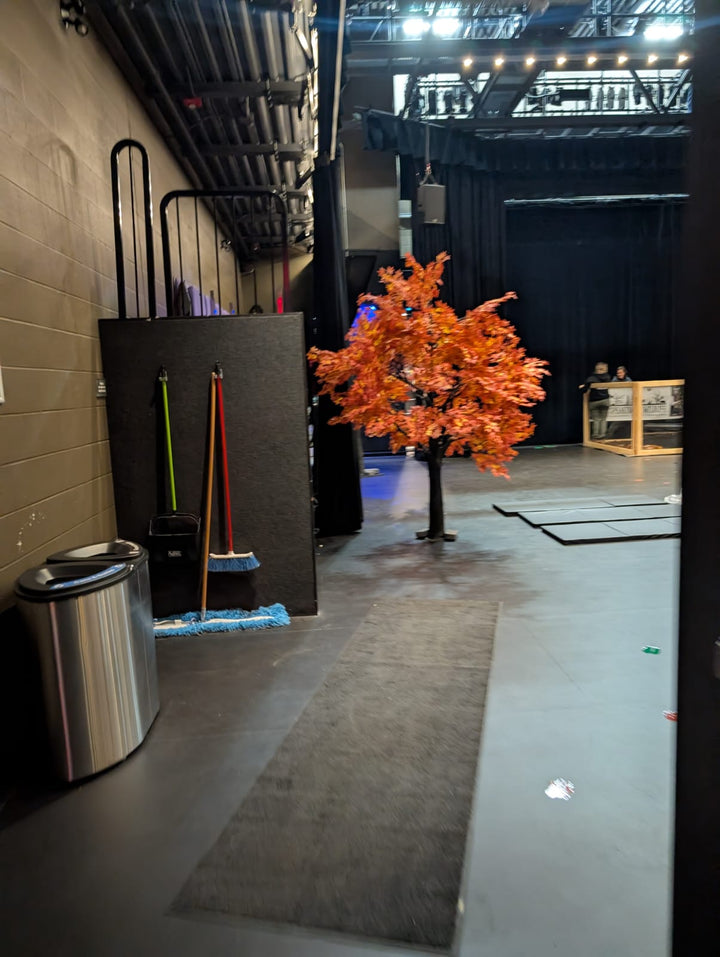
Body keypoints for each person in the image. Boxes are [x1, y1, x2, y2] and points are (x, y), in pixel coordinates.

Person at [579, 361, 612, 439]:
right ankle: (603, 435)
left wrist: (582, 387)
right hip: (605, 400)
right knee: (603, 419)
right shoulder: (608, 377)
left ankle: (596, 436)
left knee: (596, 419)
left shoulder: (592, 378)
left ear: (596, 369)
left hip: (595, 401)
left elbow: (585, 388)